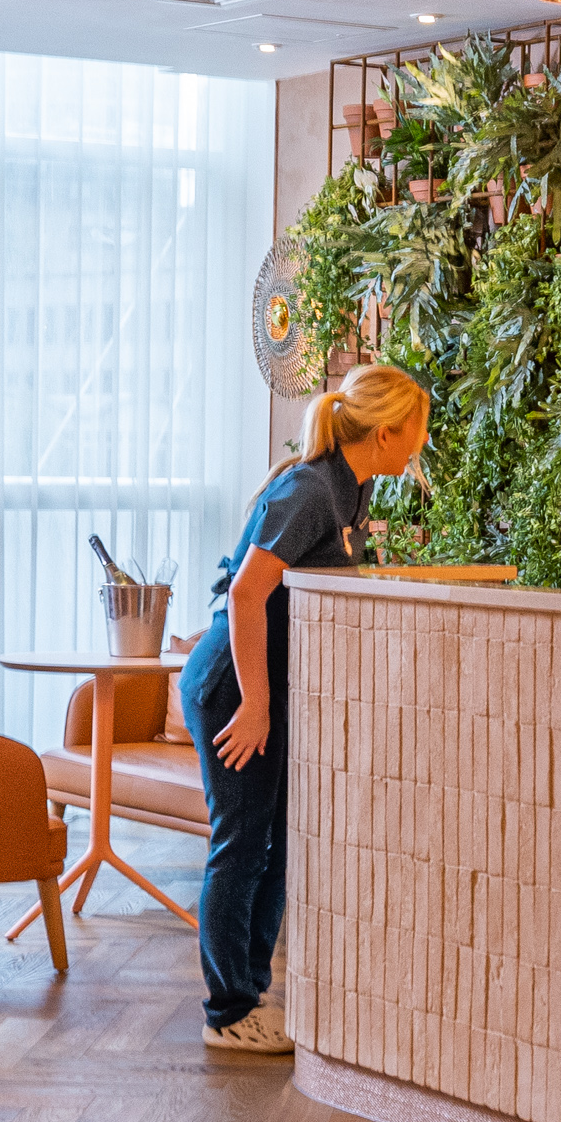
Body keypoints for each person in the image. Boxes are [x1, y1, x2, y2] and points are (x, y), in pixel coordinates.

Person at [178, 359, 428, 1056]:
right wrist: (255, 701)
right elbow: (248, 593)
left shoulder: (350, 493)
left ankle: (249, 995)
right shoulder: (312, 489)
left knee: (274, 847)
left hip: (266, 686)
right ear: (386, 432)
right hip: (233, 686)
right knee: (241, 844)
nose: (418, 445)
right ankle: (227, 1010)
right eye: (416, 432)